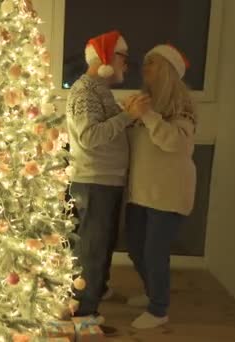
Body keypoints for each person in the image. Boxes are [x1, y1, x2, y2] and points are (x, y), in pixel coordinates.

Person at [66, 30, 149, 322]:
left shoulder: (99, 90)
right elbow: (89, 136)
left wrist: (125, 114)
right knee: (92, 248)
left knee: (101, 243)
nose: (126, 64)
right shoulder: (86, 91)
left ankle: (96, 290)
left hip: (105, 181)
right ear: (106, 58)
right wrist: (128, 116)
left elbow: (105, 128)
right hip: (94, 182)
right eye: (123, 57)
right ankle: (85, 311)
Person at [123, 44, 196, 329]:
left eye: (151, 63)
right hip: (141, 191)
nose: (144, 68)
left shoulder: (182, 109)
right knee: (135, 248)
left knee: (155, 252)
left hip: (167, 194)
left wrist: (147, 116)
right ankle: (152, 291)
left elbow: (175, 144)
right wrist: (129, 115)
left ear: (166, 70)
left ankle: (159, 307)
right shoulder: (146, 101)